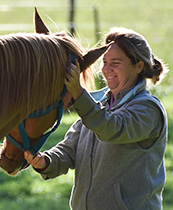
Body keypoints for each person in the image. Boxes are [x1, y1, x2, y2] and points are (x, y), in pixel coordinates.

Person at [24, 27, 168, 210]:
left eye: (115, 63)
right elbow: (69, 150)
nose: (106, 69)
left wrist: (78, 93)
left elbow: (111, 129)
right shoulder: (97, 104)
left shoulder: (148, 109)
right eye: (105, 62)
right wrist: (46, 162)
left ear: (139, 66)